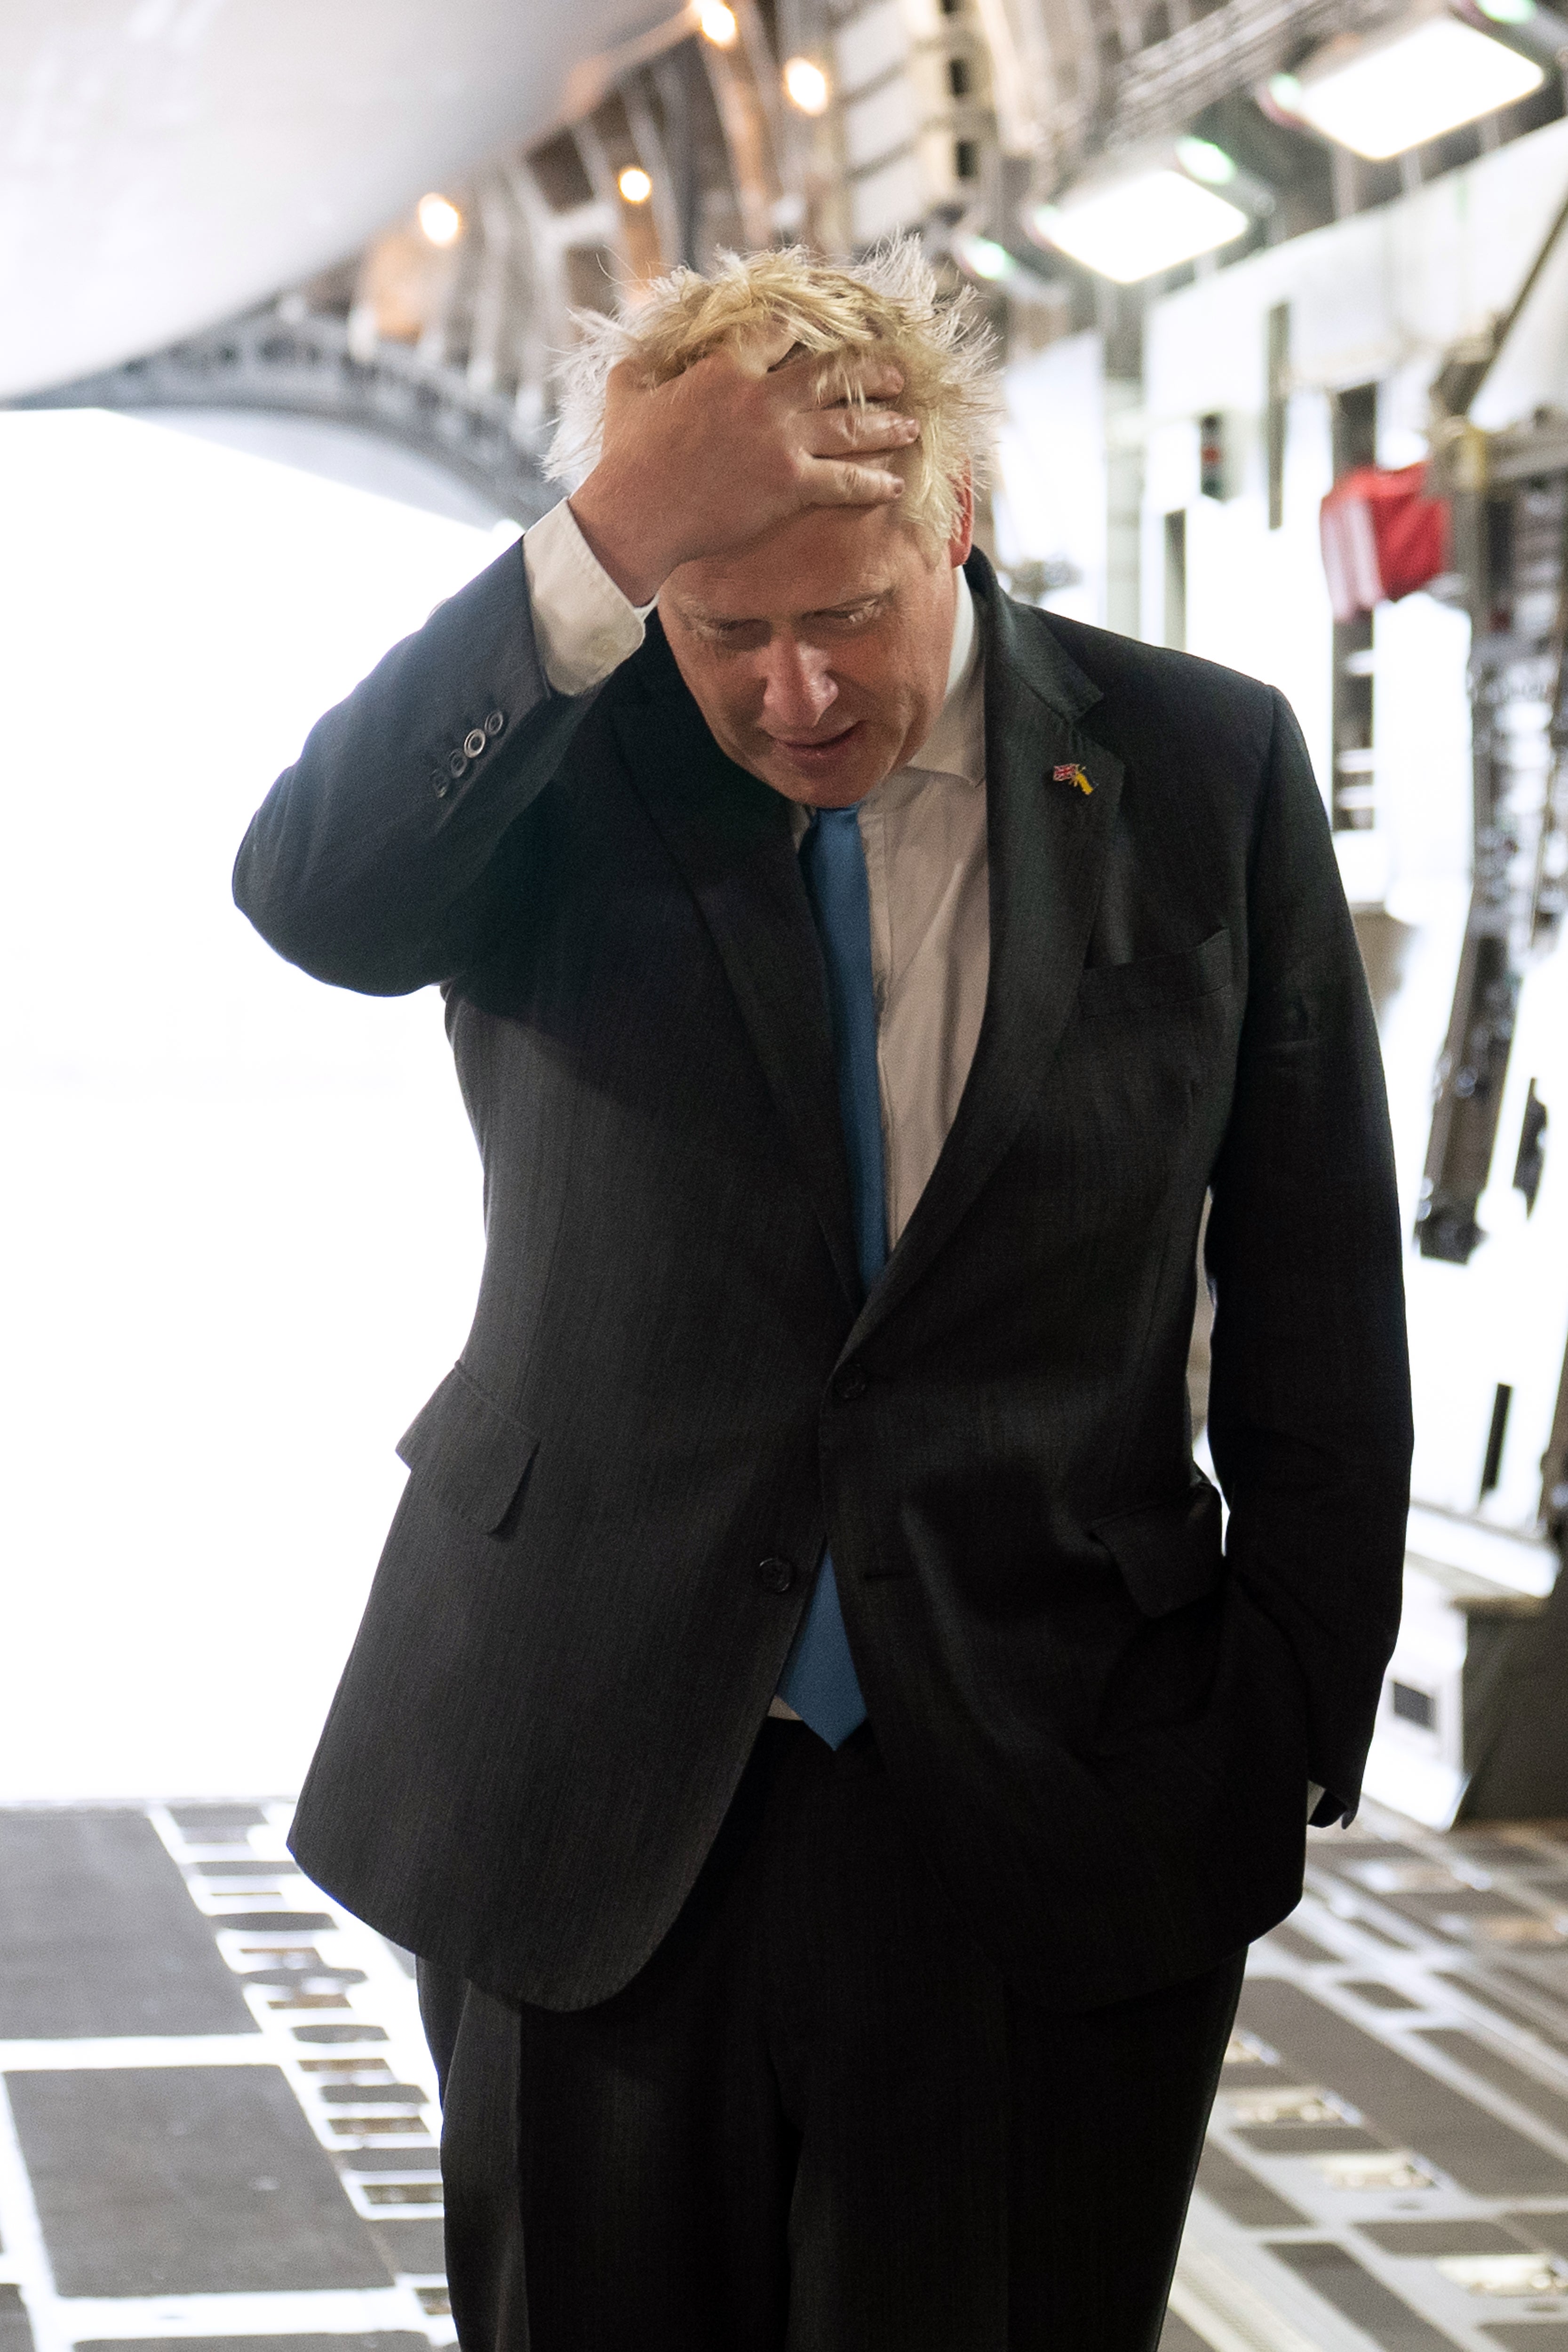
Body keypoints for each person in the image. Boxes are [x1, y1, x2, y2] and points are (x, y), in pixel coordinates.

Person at [233, 240, 1412, 2350]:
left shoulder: (1198, 768)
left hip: (1056, 1788)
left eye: (847, 615)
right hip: (588, 1786)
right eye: (728, 629)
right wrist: (609, 537)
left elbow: (1318, 1270)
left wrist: (1292, 1712)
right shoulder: (560, 767)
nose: (794, 691)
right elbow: (316, 891)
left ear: (955, 517)